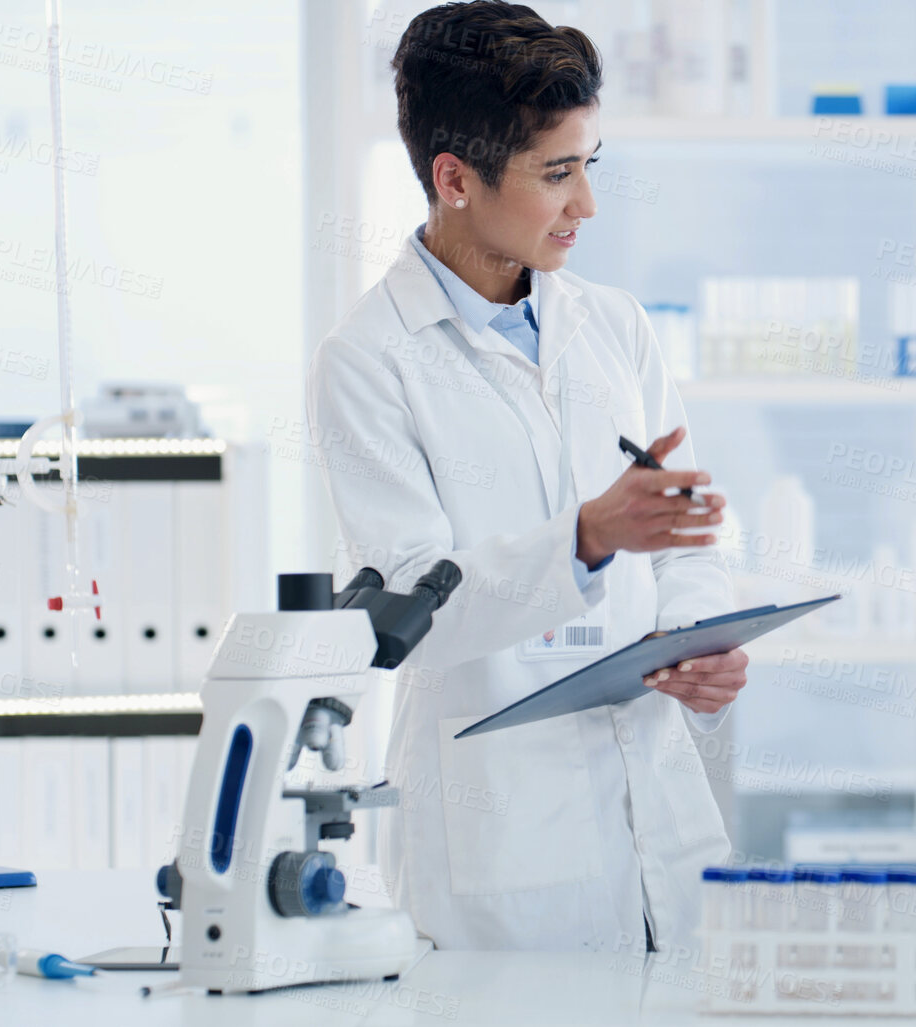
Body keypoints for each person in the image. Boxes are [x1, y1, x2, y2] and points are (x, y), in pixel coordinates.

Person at [306, 1, 743, 953]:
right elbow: (414, 614)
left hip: (660, 811)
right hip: (500, 843)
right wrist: (586, 537)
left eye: (590, 165)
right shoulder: (369, 362)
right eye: (556, 174)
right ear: (453, 178)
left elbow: (694, 526)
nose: (586, 204)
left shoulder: (614, 324)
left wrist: (698, 633)